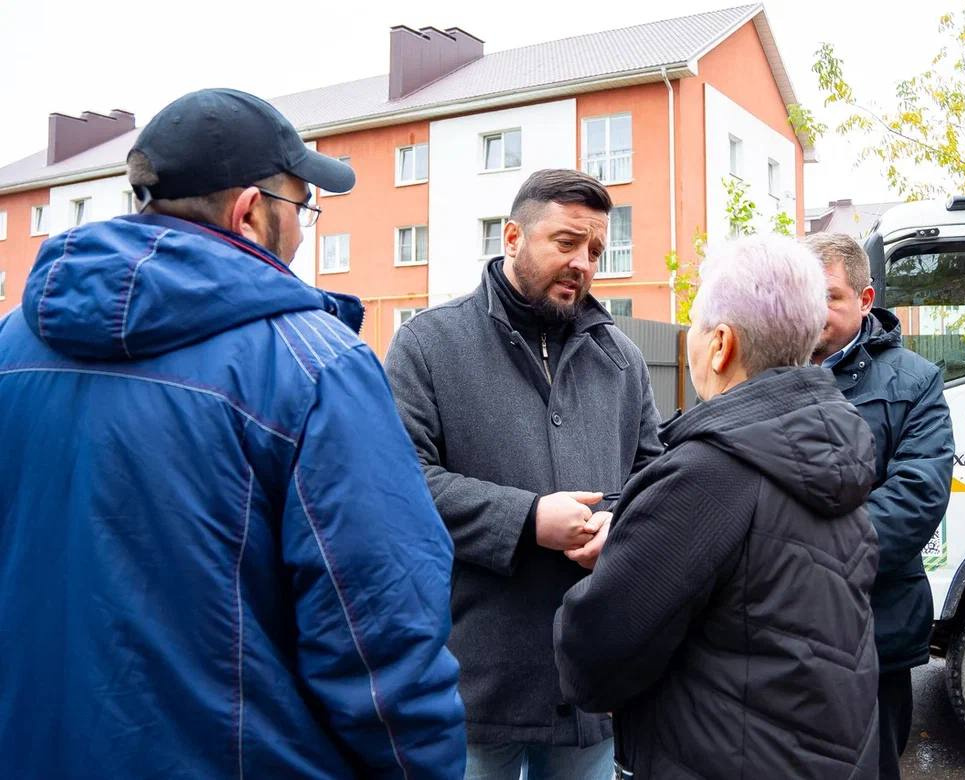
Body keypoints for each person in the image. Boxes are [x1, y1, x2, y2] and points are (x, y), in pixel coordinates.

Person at [0, 88, 465, 779]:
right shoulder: (315, 366)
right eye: (303, 206)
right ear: (250, 212)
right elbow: (380, 638)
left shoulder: (12, 344)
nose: (303, 232)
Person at [554, 235, 881, 778]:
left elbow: (595, 656)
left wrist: (624, 553)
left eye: (695, 326)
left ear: (721, 344)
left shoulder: (709, 475)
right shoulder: (829, 448)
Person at [385, 168, 662, 779]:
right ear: (512, 237)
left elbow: (654, 477)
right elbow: (398, 483)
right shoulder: (428, 344)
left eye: (595, 250)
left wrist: (619, 524)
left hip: (589, 681)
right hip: (471, 684)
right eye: (566, 242)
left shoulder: (622, 358)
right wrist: (527, 519)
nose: (583, 263)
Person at [802, 233, 954, 780]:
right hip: (780, 632)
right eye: (802, 293)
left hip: (873, 625)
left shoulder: (914, 380)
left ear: (865, 300)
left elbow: (917, 496)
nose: (812, 310)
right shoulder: (765, 369)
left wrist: (803, 557)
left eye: (829, 296)